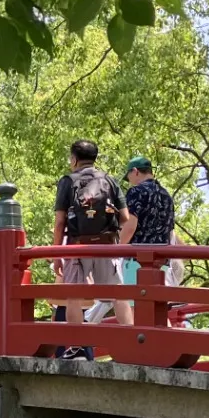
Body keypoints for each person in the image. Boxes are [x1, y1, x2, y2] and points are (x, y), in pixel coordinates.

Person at [52, 139, 126, 359]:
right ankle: (132, 343)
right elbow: (125, 217)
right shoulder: (110, 180)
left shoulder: (68, 181)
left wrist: (57, 253)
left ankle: (76, 347)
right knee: (117, 295)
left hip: (78, 245)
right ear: (95, 158)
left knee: (73, 296)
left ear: (74, 159)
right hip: (106, 246)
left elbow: (59, 221)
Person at [115, 155, 177, 325]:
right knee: (158, 312)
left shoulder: (136, 192)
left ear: (135, 172)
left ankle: (140, 350)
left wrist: (117, 249)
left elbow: (130, 225)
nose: (129, 181)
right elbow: (170, 230)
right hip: (161, 261)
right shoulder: (166, 196)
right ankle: (169, 347)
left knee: (136, 309)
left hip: (138, 260)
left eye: (129, 176)